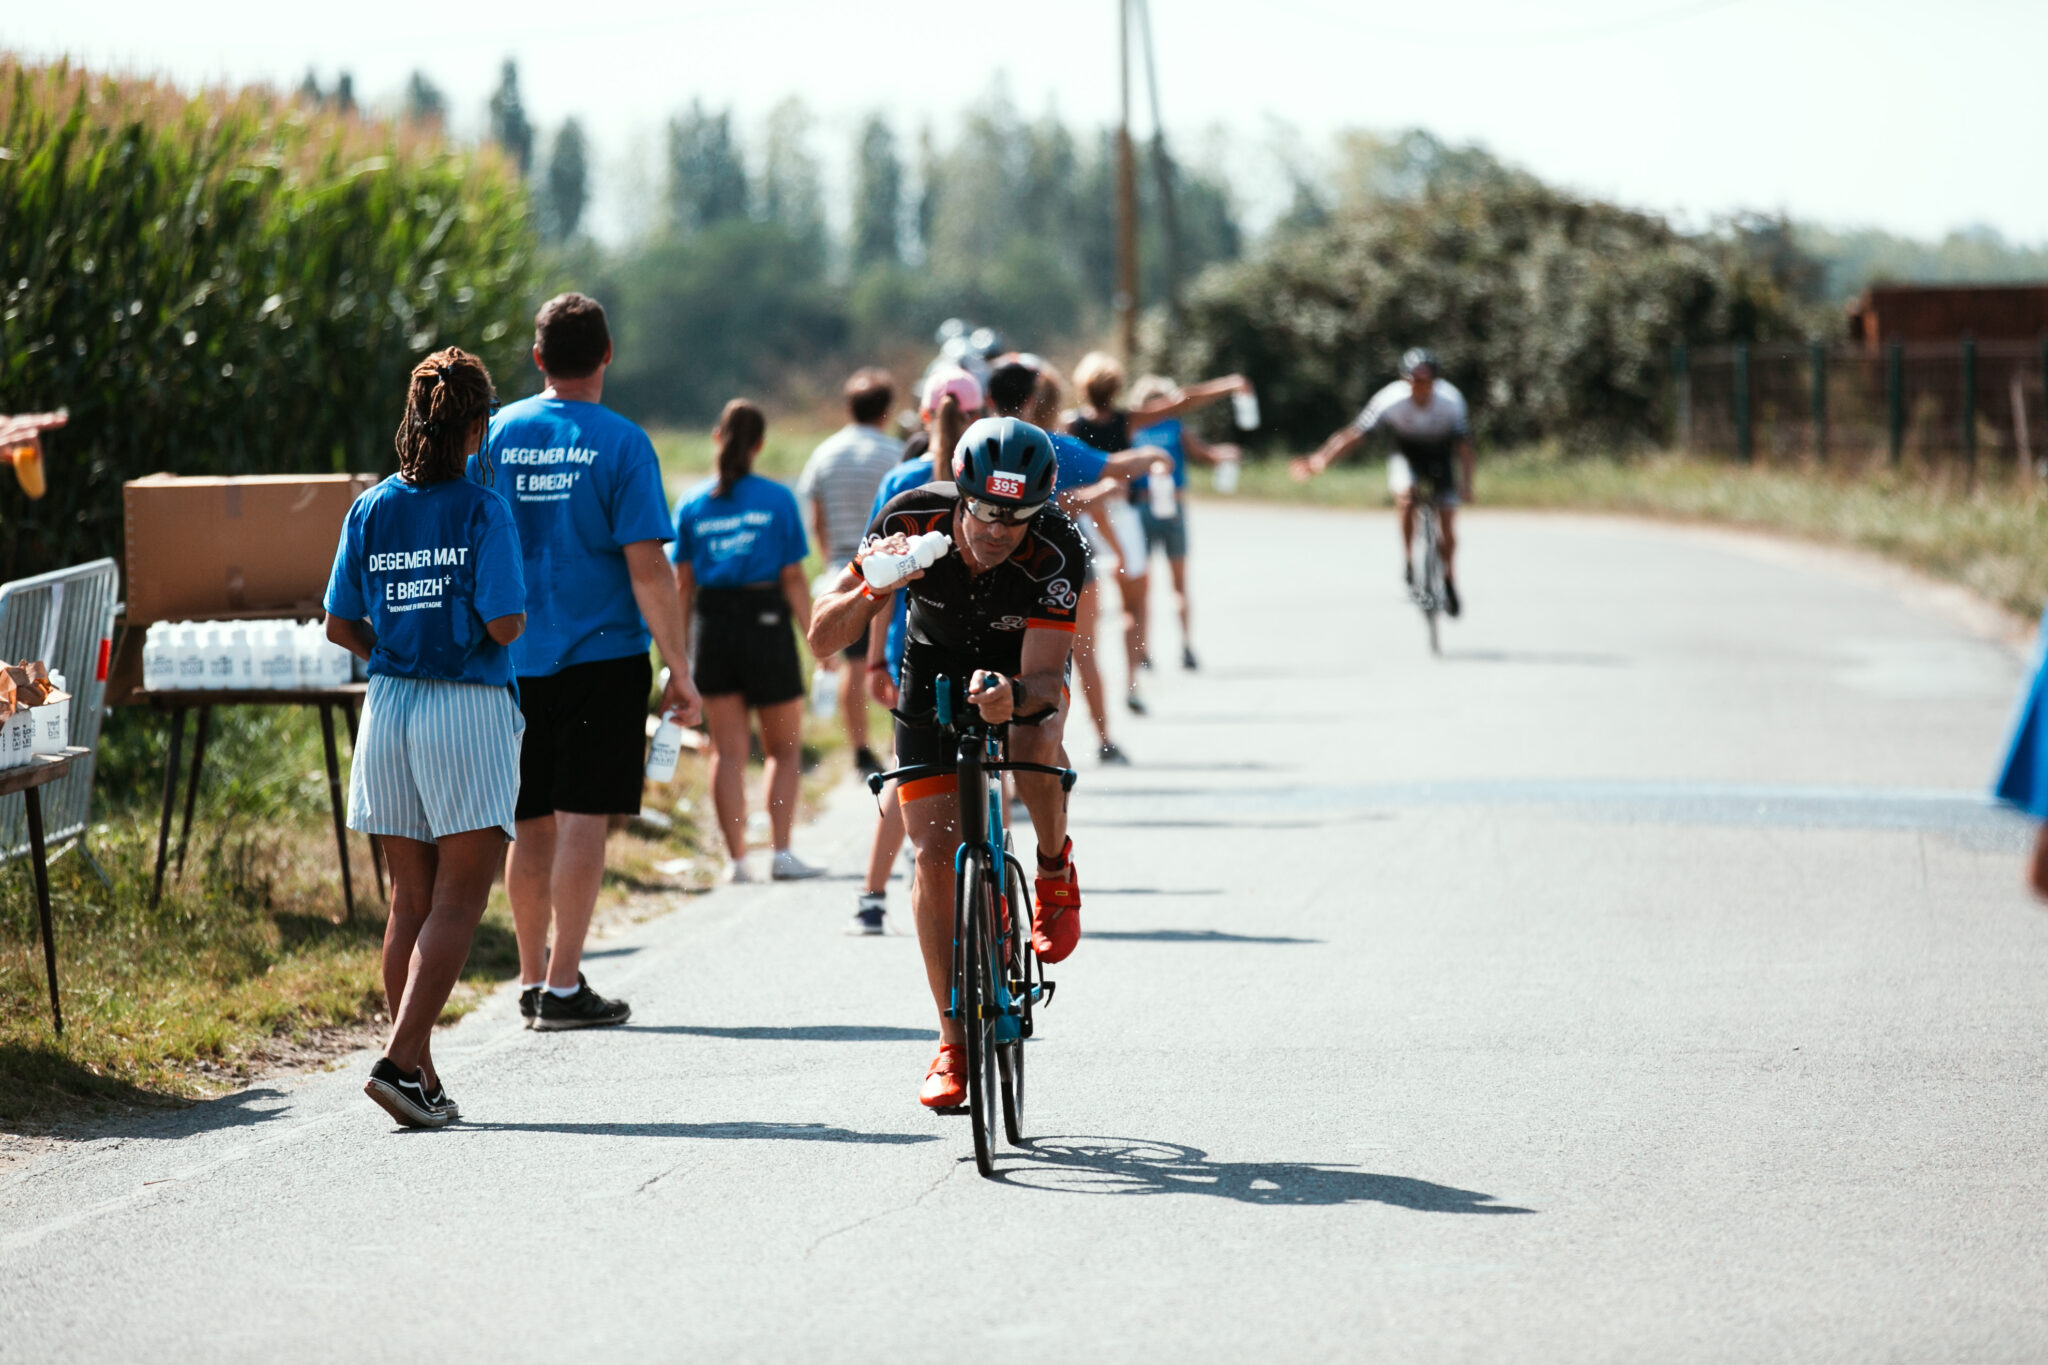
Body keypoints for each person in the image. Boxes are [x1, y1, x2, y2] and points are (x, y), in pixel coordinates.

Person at [810, 418, 1086, 1108]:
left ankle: (1053, 867)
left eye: (1017, 518)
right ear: (962, 495)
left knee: (1033, 743)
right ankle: (952, 1041)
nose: (998, 531)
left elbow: (1048, 682)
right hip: (929, 669)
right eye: (987, 513)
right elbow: (820, 636)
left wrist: (1013, 696)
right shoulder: (910, 515)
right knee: (933, 854)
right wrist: (879, 585)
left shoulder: (1057, 548)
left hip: (1018, 670)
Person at [472, 293, 700, 1032]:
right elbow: (646, 568)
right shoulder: (624, 442)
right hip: (602, 656)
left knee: (529, 819)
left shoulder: (496, 435)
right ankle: (565, 985)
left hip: (509, 656)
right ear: (606, 355)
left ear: (538, 358)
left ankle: (533, 976)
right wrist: (679, 666)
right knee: (581, 819)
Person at [324, 348, 526, 1128]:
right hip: (464, 706)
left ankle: (421, 1076)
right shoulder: (483, 507)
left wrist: (397, 651)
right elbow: (506, 621)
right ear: (477, 426)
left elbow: (341, 621)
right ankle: (399, 1061)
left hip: (389, 705)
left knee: (408, 899)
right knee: (460, 899)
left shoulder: (371, 506)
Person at [848, 368, 983, 934]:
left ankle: (872, 897)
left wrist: (876, 657)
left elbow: (879, 578)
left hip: (912, 645)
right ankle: (981, 875)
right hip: (981, 641)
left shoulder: (900, 481)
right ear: (979, 419)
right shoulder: (987, 478)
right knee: (984, 767)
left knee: (912, 769)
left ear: (924, 415)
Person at [671, 400, 822, 883]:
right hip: (766, 621)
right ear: (759, 444)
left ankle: (737, 862)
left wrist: (675, 654)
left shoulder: (693, 503)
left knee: (727, 752)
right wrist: (816, 640)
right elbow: (795, 578)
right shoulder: (778, 499)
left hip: (713, 627)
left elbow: (682, 586)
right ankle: (781, 853)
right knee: (782, 748)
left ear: (718, 437)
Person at [991, 358, 1159, 763]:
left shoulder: (982, 443)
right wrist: (1154, 456)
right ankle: (1101, 739)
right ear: (1039, 402)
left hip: (1004, 562)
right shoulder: (1055, 446)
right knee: (1083, 654)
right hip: (1066, 563)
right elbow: (1115, 467)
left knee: (1009, 660)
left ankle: (1009, 761)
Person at [1064, 352, 1249, 710]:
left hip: (1085, 517)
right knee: (1135, 603)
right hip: (1121, 515)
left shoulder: (1069, 426)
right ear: (1117, 387)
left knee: (1087, 616)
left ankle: (1091, 690)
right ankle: (1131, 684)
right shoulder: (1126, 420)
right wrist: (1227, 384)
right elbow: (1182, 401)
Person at [1291, 347, 1475, 616]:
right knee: (1406, 497)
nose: (1420, 387)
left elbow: (1464, 447)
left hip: (1440, 454)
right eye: (1414, 381)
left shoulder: (1451, 400)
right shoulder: (1390, 399)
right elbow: (1354, 434)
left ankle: (1449, 579)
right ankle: (1410, 562)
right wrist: (1321, 460)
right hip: (1407, 453)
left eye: (1426, 381)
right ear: (1404, 380)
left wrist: (1467, 483)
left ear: (1436, 381)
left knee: (1447, 519)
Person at [794, 369, 903, 776]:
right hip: (891, 564)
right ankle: (901, 748)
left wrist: (831, 561)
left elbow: (816, 517)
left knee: (854, 667)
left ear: (848, 407)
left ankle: (859, 749)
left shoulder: (824, 453)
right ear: (887, 410)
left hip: (844, 565)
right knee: (892, 660)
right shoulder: (894, 453)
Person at [1128, 374, 1245, 670]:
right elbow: (1205, 453)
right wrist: (1224, 454)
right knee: (1179, 584)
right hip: (1174, 506)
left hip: (1141, 506)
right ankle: (1186, 646)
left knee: (1142, 584)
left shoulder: (1132, 428)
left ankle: (1143, 651)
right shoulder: (1176, 427)